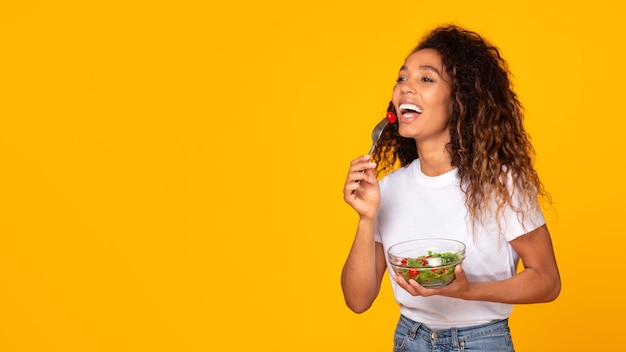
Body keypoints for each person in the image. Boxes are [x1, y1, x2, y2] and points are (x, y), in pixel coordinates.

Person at [341, 24, 561, 352]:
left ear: (460, 99)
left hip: (482, 342)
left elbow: (547, 281)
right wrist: (365, 218)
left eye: (425, 79)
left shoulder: (501, 184)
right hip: (410, 340)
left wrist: (468, 291)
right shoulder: (388, 189)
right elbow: (357, 300)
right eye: (402, 78)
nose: (405, 88)